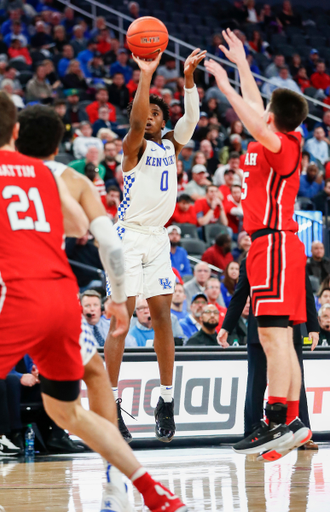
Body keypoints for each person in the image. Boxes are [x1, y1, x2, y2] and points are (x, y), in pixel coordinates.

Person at [14, 101, 186, 511]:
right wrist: (117, 297)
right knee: (81, 391)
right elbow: (95, 235)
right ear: (59, 145)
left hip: (10, 294)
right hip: (54, 297)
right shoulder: (70, 178)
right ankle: (135, 485)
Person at [206, 28, 311, 459]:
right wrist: (242, 62)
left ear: (274, 118)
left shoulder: (283, 144)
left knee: (271, 337)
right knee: (281, 338)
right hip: (276, 246)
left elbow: (252, 115)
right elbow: (256, 108)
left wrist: (226, 85)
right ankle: (291, 423)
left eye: (266, 109)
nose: (259, 109)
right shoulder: (277, 133)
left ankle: (275, 421)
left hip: (275, 245)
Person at [104, 48, 206, 443]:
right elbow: (135, 118)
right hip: (126, 237)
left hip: (158, 239)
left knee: (162, 315)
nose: (148, 117)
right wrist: (145, 75)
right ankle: (110, 406)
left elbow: (191, 119)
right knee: (121, 323)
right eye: (143, 113)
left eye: (155, 115)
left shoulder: (169, 146)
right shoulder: (134, 147)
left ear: (163, 123)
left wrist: (188, 80)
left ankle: (166, 399)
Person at [220, 258, 319, 448]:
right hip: (259, 330)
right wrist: (226, 326)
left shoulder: (291, 254)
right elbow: (240, 295)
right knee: (255, 383)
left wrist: (313, 326)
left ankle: (303, 433)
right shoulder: (250, 259)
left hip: (290, 328)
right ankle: (252, 432)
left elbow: (305, 291)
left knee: (296, 382)